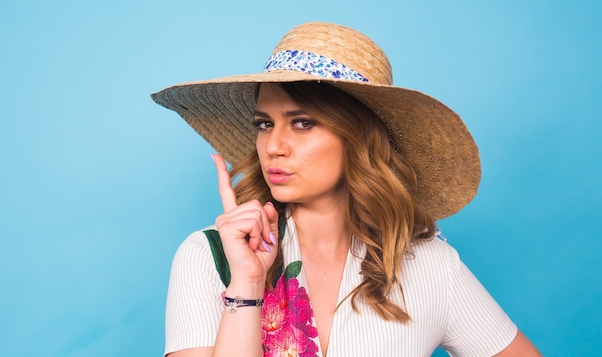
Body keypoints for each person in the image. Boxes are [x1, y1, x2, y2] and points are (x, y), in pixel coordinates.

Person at [152, 22, 542, 357]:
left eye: (302, 123)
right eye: (265, 123)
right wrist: (248, 285)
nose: (273, 146)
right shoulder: (210, 257)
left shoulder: (429, 265)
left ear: (357, 138)